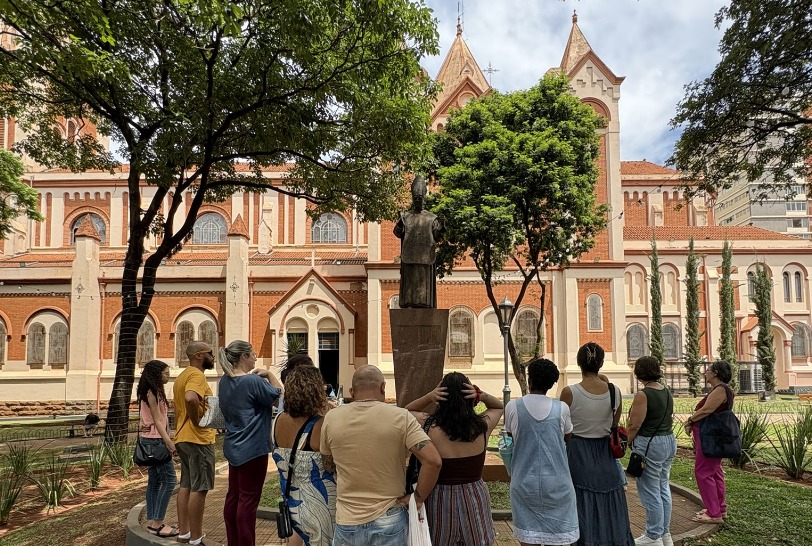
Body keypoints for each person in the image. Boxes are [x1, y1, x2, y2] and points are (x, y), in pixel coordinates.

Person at [320, 365, 442, 546]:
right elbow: (433, 461)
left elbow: (328, 465)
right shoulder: (401, 417)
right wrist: (417, 498)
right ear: (383, 387)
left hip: (347, 518)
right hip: (389, 516)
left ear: (352, 391)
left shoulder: (331, 418)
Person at [406, 372, 504, 546]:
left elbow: (408, 411)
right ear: (470, 397)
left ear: (440, 398)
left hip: (439, 497)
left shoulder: (428, 425)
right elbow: (498, 407)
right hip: (474, 494)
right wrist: (480, 395)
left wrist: (429, 397)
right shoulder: (482, 426)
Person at [560, 343, 634, 546]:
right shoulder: (614, 391)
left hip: (577, 452)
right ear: (601, 363)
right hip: (605, 453)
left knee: (581, 502)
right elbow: (614, 425)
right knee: (609, 502)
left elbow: (562, 428)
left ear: (578, 363)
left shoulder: (569, 392)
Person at [503, 358, 579, 546]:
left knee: (528, 539)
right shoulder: (562, 409)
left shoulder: (513, 407)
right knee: (557, 539)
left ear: (529, 380)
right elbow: (568, 437)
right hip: (558, 484)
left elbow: (511, 437)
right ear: (552, 384)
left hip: (523, 483)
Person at [218, 340, 283, 546]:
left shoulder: (224, 381)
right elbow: (280, 398)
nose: (256, 358)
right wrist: (270, 375)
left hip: (233, 446)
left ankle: (233, 541)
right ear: (244, 356)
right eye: (253, 354)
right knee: (248, 501)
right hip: (253, 448)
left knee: (234, 496)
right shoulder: (252, 381)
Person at [272, 365, 337, 546]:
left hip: (292, 502)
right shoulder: (320, 425)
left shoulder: (278, 420)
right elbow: (330, 466)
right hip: (320, 505)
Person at [627, 356, 676, 546]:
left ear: (639, 372)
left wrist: (626, 443)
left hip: (650, 443)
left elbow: (635, 424)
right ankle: (664, 533)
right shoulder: (666, 391)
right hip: (668, 440)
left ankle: (653, 535)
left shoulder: (643, 394)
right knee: (663, 487)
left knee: (650, 490)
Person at [173, 340, 216, 546]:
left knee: (186, 485)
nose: (213, 357)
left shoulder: (181, 376)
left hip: (183, 438)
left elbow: (178, 407)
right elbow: (191, 398)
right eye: (210, 353)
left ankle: (184, 533)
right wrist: (197, 421)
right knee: (200, 487)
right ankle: (196, 538)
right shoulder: (197, 375)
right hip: (198, 439)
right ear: (199, 356)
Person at [684, 360, 734, 524]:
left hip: (710, 436)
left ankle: (714, 513)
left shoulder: (720, 390)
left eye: (708, 370)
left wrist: (689, 420)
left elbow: (707, 409)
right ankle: (719, 508)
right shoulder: (720, 389)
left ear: (716, 373)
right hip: (711, 435)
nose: (705, 373)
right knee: (714, 471)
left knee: (703, 472)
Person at [136, 360, 178, 538]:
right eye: (166, 373)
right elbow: (158, 420)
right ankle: (157, 524)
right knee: (169, 480)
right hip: (155, 442)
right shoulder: (152, 392)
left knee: (154, 481)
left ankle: (153, 522)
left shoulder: (151, 391)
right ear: (156, 374)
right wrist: (169, 443)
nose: (168, 376)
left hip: (151, 440)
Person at [393, 174, 445, 308]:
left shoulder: (431, 218)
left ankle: (424, 304)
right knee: (410, 281)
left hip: (425, 256)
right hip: (409, 255)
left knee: (423, 281)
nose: (418, 201)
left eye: (420, 198)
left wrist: (441, 226)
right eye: (415, 198)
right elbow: (397, 233)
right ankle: (409, 303)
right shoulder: (406, 216)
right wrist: (400, 223)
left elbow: (437, 236)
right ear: (412, 198)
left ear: (424, 199)